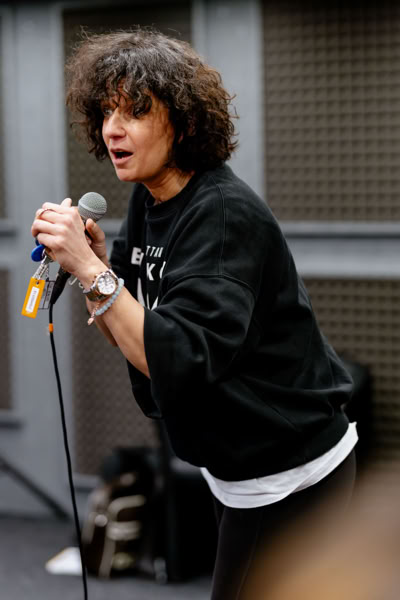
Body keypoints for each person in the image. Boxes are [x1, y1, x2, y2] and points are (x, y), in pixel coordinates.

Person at [31, 28, 357, 600]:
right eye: (106, 112)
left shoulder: (223, 215)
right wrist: (95, 271)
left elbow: (174, 356)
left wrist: (91, 270)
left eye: (135, 111)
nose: (112, 129)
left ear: (183, 124)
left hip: (288, 470)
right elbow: (132, 337)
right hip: (232, 465)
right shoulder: (150, 199)